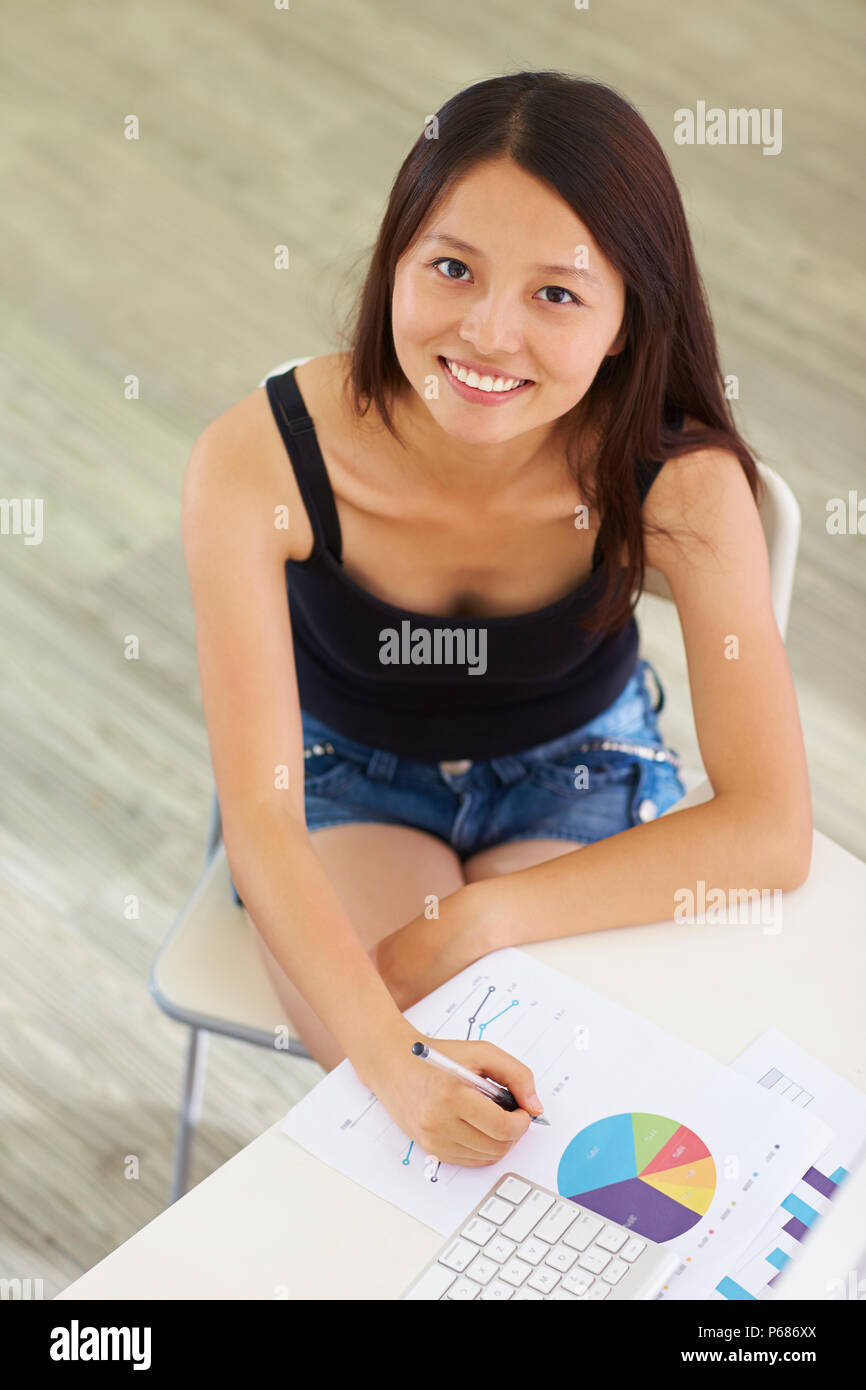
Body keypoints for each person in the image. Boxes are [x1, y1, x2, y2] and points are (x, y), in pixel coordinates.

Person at [181, 72, 812, 1170]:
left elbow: (766, 828)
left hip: (577, 765)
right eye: (452, 267)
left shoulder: (677, 482)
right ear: (395, 261)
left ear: (627, 320)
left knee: (554, 1124)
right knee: (414, 1127)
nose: (486, 332)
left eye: (555, 294)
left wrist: (483, 916)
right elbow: (262, 816)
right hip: (344, 776)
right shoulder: (259, 457)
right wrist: (395, 1060)